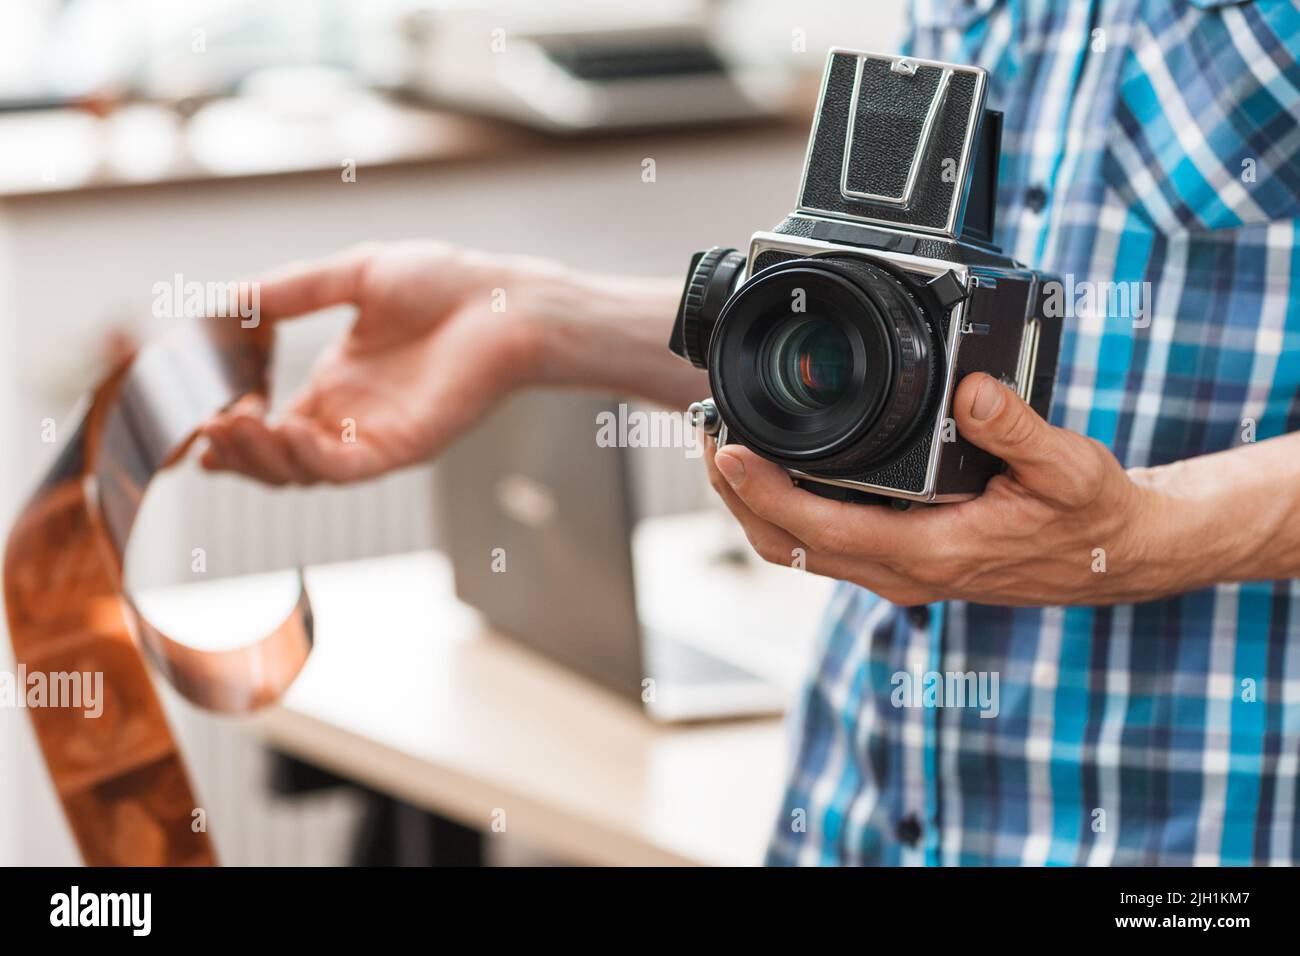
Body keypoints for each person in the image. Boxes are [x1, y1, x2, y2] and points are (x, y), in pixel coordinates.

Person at [204, 0, 1300, 865]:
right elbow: (888, 338)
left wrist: (1147, 533)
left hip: (1192, 822)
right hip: (858, 813)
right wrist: (528, 318)